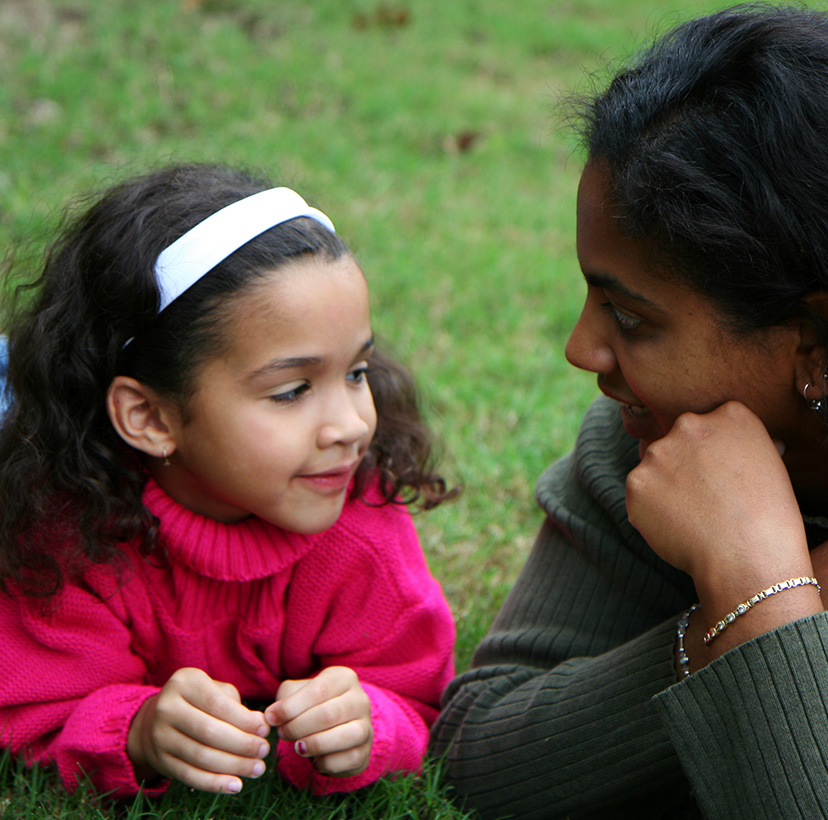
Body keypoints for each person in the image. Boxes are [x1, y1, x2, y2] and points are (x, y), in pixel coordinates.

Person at [431, 5, 828, 819]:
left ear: (815, 344)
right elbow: (480, 760)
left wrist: (762, 592)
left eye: (631, 317)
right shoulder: (654, 442)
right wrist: (764, 591)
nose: (581, 349)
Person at [0, 163, 456, 799]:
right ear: (150, 417)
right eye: (292, 390)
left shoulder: (362, 518)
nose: (353, 426)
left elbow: (419, 695)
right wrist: (137, 732)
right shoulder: (69, 536)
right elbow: (35, 711)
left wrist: (370, 725)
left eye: (357, 372)